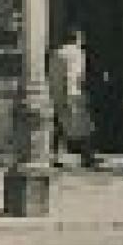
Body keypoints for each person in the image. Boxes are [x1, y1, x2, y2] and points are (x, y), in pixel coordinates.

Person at [46, 25, 98, 169]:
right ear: (77, 39)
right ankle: (88, 157)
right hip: (73, 94)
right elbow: (73, 75)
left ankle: (55, 156)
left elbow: (51, 76)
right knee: (86, 127)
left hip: (56, 95)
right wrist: (71, 95)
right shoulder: (77, 53)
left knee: (59, 127)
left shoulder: (56, 53)